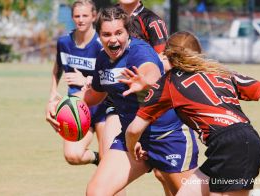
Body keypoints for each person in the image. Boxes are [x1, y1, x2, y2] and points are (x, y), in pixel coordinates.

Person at [49, 7, 198, 195]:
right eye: (106, 34)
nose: (113, 39)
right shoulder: (103, 58)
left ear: (128, 33)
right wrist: (61, 105)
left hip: (168, 137)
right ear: (99, 35)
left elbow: (151, 70)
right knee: (96, 192)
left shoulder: (139, 51)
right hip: (131, 140)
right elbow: (94, 95)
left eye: (119, 33)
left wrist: (145, 81)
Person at [122, 31, 260, 196]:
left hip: (231, 147)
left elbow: (134, 130)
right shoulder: (219, 71)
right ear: (198, 52)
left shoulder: (169, 83)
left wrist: (132, 146)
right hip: (237, 142)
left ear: (168, 55)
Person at [117, 1, 196, 195]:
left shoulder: (151, 21)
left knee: (166, 175)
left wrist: (146, 78)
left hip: (153, 102)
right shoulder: (111, 18)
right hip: (122, 101)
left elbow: (166, 62)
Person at [46, 0, 107, 166]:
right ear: (72, 17)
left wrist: (87, 80)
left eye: (85, 15)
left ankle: (105, 162)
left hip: (103, 106)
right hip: (76, 108)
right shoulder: (64, 42)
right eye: (77, 16)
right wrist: (53, 92)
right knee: (72, 155)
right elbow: (57, 67)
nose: (81, 19)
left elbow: (110, 75)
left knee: (109, 161)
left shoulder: (102, 44)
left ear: (94, 16)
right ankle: (97, 159)